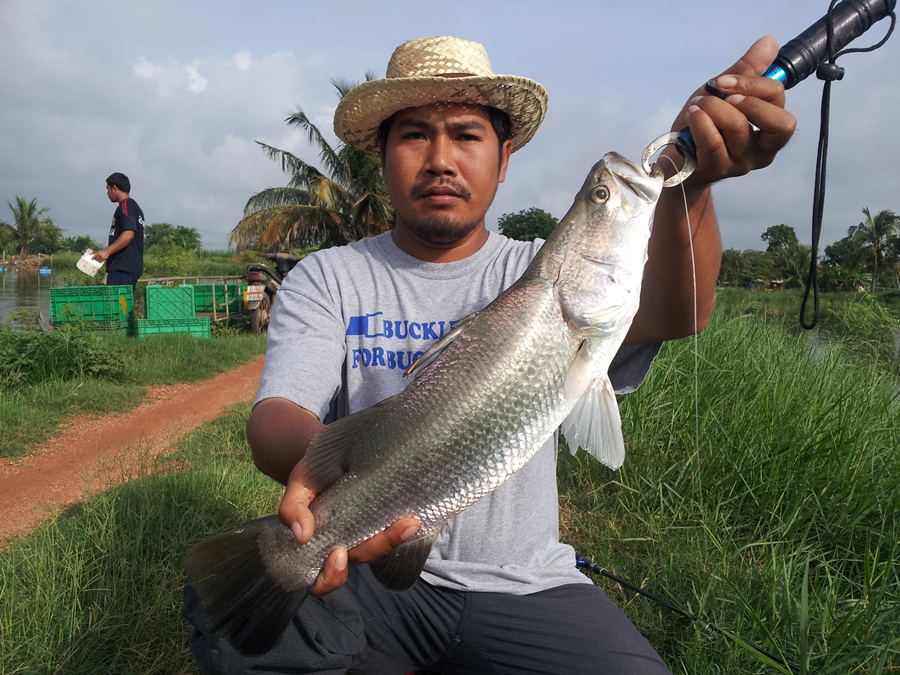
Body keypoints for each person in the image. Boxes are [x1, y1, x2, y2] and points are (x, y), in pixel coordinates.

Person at [183, 35, 795, 673]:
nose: (440, 159)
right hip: (373, 574)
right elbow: (276, 412)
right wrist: (319, 471)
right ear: (383, 157)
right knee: (250, 629)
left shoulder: (534, 271)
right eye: (415, 135)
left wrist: (691, 186)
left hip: (528, 584)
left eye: (467, 136)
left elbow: (680, 312)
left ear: (504, 160)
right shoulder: (326, 276)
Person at [94, 172, 144, 289]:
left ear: (115, 188)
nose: (107, 193)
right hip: (125, 268)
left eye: (108, 189)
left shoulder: (126, 205)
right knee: (121, 305)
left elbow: (128, 233)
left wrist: (107, 251)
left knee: (119, 306)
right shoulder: (133, 207)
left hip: (123, 268)